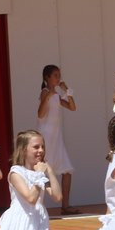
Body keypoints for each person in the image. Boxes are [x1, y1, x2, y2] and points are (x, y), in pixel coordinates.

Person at [37, 65, 79, 214]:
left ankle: (65, 206)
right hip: (46, 136)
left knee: (67, 171)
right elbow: (41, 115)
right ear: (47, 77)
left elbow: (73, 107)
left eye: (59, 75)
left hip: (56, 137)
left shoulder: (55, 95)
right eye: (55, 75)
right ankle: (37, 204)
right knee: (41, 170)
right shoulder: (46, 92)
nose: (58, 77)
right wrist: (47, 97)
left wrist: (67, 89)